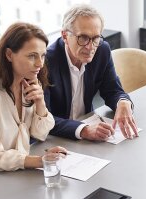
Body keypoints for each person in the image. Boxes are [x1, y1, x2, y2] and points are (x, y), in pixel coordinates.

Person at [0, 22, 66, 172]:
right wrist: (40, 161)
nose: (39, 64)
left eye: (42, 56)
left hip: (15, 167)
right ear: (9, 55)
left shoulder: (28, 81)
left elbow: (40, 134)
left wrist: (40, 102)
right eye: (32, 56)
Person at [44, 4, 139, 141]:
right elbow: (43, 119)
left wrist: (123, 102)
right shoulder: (46, 62)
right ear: (65, 36)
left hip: (89, 131)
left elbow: (112, 90)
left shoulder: (102, 51)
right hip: (56, 139)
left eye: (95, 38)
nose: (90, 47)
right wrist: (83, 130)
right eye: (83, 38)